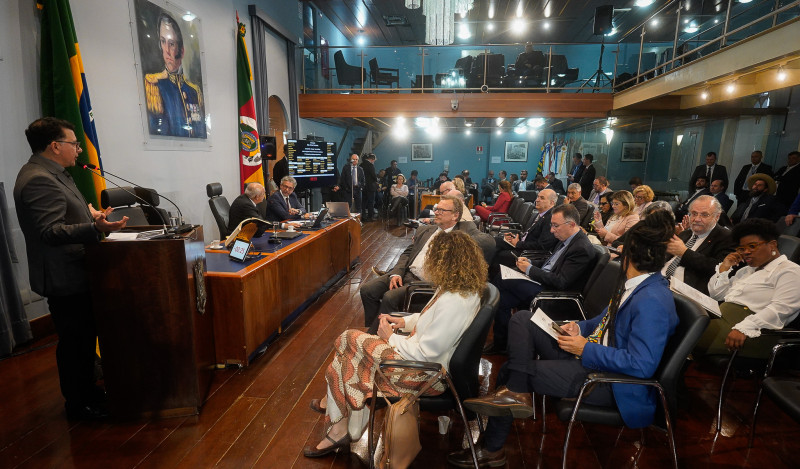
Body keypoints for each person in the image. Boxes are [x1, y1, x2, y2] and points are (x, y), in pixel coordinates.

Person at [450, 211, 678, 467]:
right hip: (591, 357)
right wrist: (578, 327)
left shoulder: (652, 300)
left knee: (512, 372)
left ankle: (493, 447)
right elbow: (604, 320)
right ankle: (517, 392)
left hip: (609, 382)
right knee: (523, 318)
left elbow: (642, 365)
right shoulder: (638, 285)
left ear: (632, 253)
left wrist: (585, 349)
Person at [303, 231, 487, 458]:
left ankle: (339, 420)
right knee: (345, 361)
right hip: (418, 363)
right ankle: (340, 429)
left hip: (424, 376)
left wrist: (390, 337)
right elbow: (433, 320)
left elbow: (427, 353)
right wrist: (404, 322)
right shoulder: (458, 290)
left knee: (347, 340)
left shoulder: (455, 301)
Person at [14, 117, 129, 421]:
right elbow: (50, 231)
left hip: (78, 269)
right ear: (55, 146)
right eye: (74, 143)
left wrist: (91, 215)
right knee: (75, 342)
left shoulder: (54, 173)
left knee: (83, 337)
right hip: (64, 275)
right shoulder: (38, 179)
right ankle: (79, 405)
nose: (79, 149)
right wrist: (94, 227)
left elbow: (65, 215)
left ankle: (88, 392)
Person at [359, 196, 493, 329]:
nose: (436, 212)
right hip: (405, 274)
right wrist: (397, 273)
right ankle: (375, 328)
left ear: (455, 215)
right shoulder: (425, 230)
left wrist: (458, 243)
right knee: (367, 290)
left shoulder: (460, 233)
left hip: (425, 282)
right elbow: (407, 253)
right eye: (437, 209)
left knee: (389, 297)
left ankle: (379, 334)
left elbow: (489, 242)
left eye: (442, 210)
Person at [483, 204, 597, 356]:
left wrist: (530, 269)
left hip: (552, 293)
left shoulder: (581, 248)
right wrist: (530, 263)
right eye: (551, 225)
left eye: (555, 226)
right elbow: (550, 263)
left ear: (571, 224)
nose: (552, 230)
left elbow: (561, 282)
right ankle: (502, 342)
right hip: (542, 282)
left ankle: (489, 323)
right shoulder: (566, 238)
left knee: (501, 279)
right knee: (503, 298)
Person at [694, 218, 800, 359]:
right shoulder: (746, 271)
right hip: (722, 321)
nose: (746, 252)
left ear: (772, 245)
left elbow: (782, 308)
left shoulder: (790, 271)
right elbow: (717, 294)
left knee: (683, 331)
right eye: (742, 249)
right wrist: (724, 267)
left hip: (753, 332)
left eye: (752, 246)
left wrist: (745, 327)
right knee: (681, 323)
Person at [144, 13, 206, 138]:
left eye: (171, 44)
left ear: (181, 51)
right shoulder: (154, 84)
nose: (166, 50)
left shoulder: (194, 91)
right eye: (163, 42)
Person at [661, 196, 734, 294]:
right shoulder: (685, 234)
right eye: (694, 214)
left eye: (704, 215)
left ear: (717, 217)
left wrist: (685, 253)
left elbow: (719, 270)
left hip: (683, 291)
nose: (697, 219)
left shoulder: (727, 237)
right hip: (660, 279)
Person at [493, 188, 558, 270]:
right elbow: (529, 234)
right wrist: (515, 237)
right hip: (522, 244)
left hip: (528, 253)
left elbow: (542, 245)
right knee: (495, 241)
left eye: (542, 198)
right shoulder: (539, 214)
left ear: (552, 203)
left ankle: (489, 273)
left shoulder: (551, 219)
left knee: (497, 253)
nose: (537, 200)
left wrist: (518, 244)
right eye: (537, 197)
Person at [360, 153, 378, 222]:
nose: (374, 162)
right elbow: (373, 175)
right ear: (372, 159)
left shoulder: (361, 165)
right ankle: (370, 216)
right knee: (371, 202)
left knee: (363, 202)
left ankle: (363, 216)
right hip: (370, 187)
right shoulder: (370, 165)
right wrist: (376, 180)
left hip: (363, 187)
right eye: (374, 160)